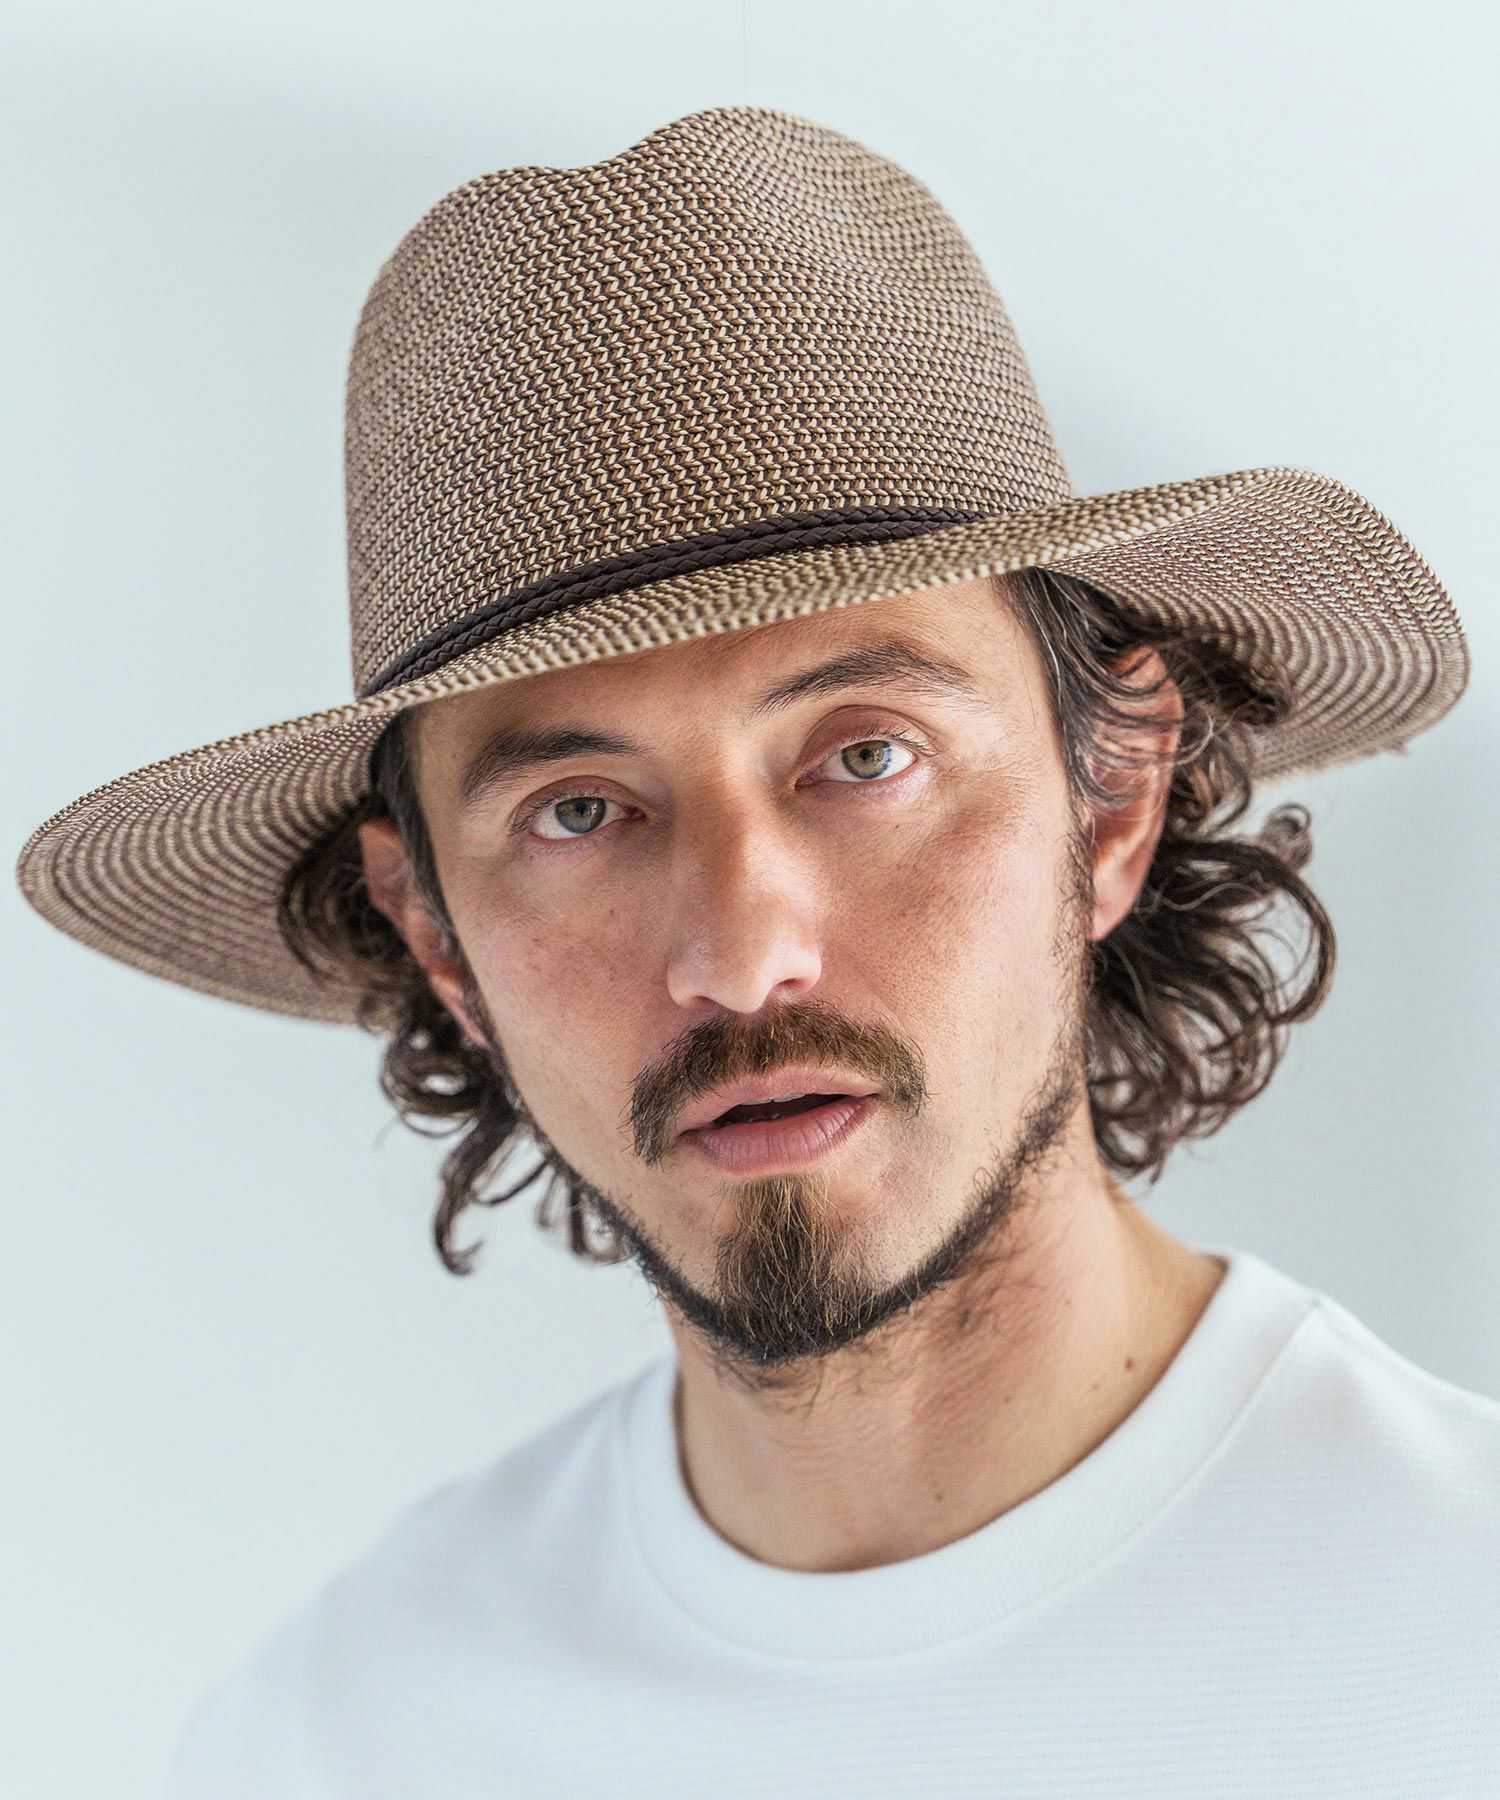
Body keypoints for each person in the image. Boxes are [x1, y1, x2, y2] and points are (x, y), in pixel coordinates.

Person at [14, 105, 1497, 1796]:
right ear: (437, 937)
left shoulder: (1459, 1638)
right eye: (578, 812)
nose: (739, 957)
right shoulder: (342, 1737)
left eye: (866, 756)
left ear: (1111, 802)